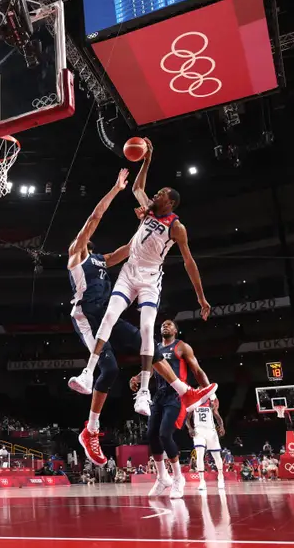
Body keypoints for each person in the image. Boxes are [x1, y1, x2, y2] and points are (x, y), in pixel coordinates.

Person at [66, 169, 215, 466]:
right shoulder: (75, 255)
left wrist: (145, 223)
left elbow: (130, 249)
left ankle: (183, 391)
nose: (87, 243)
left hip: (116, 306)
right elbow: (93, 219)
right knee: (108, 371)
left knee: (151, 344)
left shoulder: (102, 260)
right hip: (86, 318)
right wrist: (115, 190)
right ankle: (90, 430)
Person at [85, 139, 212, 417]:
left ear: (171, 202)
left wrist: (201, 298)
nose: (156, 194)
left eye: (162, 193)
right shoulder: (148, 208)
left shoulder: (177, 227)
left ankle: (143, 392)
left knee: (145, 330)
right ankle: (88, 371)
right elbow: (137, 188)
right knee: (110, 314)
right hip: (130, 271)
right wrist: (147, 159)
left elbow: (189, 262)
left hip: (151, 278)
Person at [136, 320, 217, 498]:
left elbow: (197, 370)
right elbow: (149, 369)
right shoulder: (155, 348)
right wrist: (137, 378)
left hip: (177, 396)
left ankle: (178, 478)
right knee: (151, 435)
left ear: (175, 330)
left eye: (169, 324)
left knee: (165, 434)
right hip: (158, 395)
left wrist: (211, 395)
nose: (165, 326)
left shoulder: (182, 347)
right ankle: (162, 477)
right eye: (163, 324)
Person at [186, 383, 226, 491]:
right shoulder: (194, 404)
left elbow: (218, 417)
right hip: (199, 431)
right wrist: (190, 428)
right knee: (199, 455)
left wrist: (221, 426)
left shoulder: (210, 404)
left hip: (211, 431)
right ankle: (202, 481)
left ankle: (221, 476)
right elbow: (187, 419)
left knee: (216, 456)